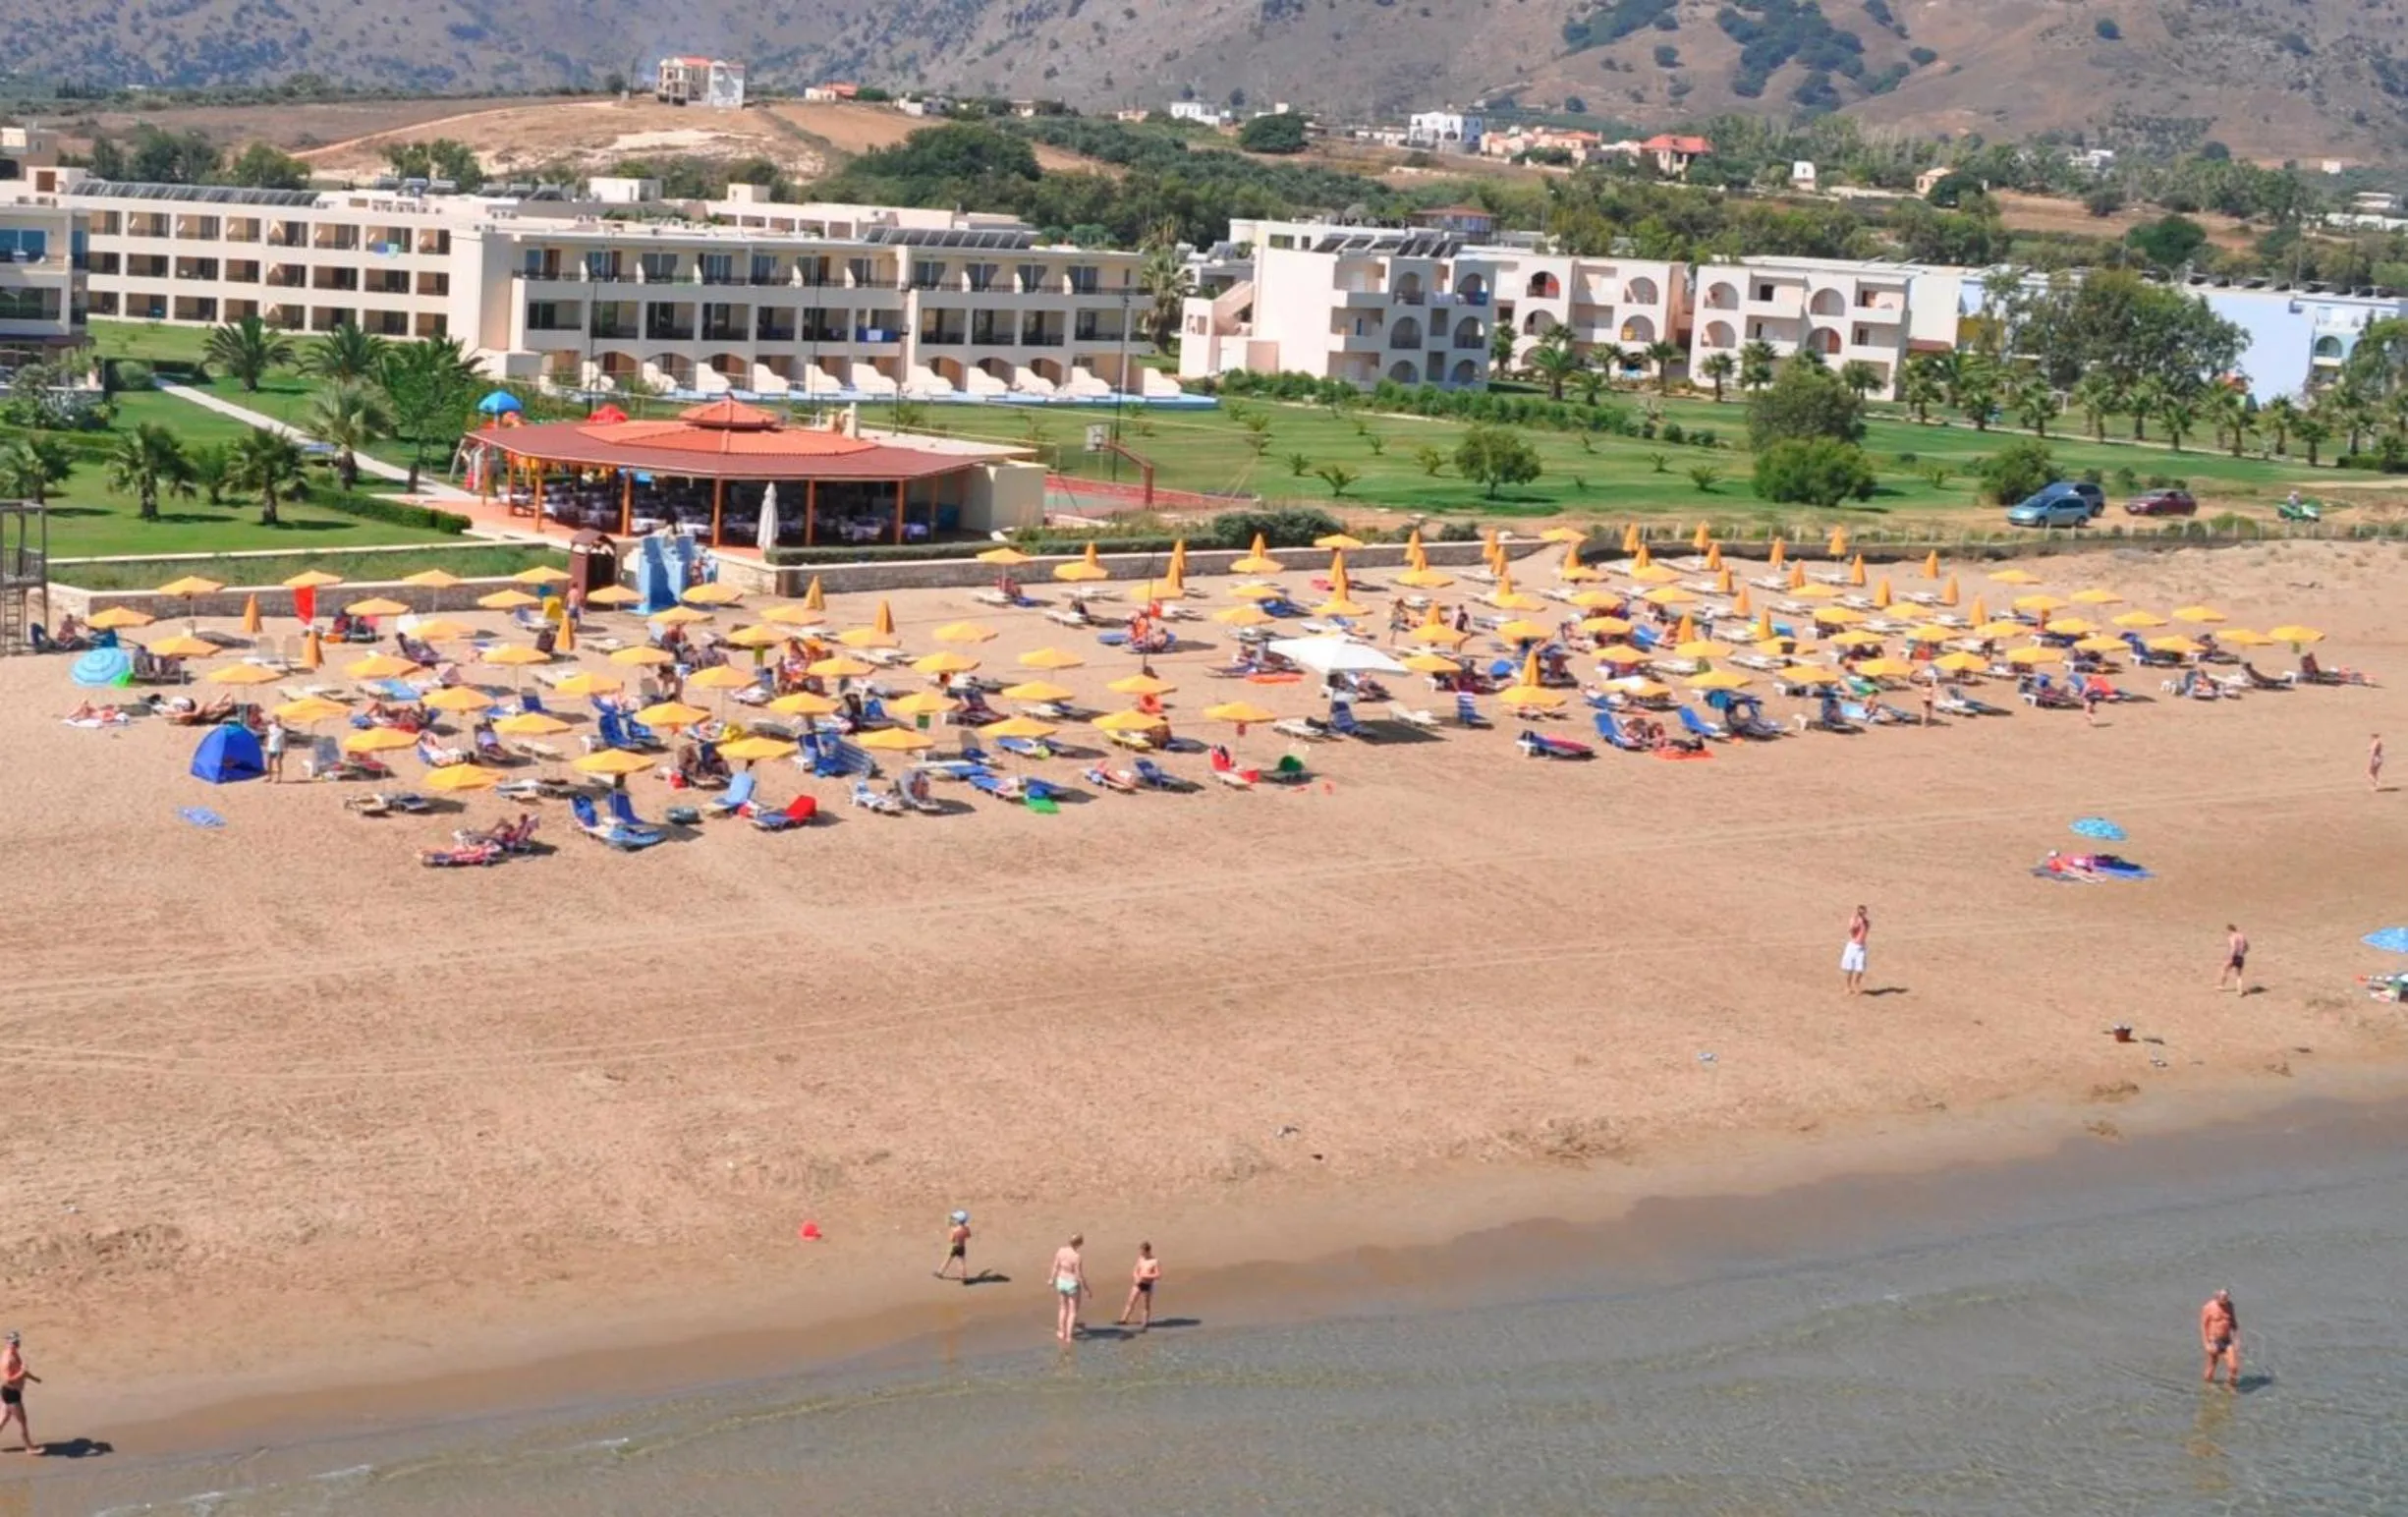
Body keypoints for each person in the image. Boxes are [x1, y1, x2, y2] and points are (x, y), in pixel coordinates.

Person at [1, 1330, 37, 1454]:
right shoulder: (7, 1359)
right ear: (8, 1343)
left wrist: (34, 1378)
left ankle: (29, 1446)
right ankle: (29, 1447)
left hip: (10, 1392)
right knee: (22, 1421)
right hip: (11, 1394)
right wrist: (22, 1372)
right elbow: (7, 1380)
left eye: (17, 1341)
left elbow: (21, 1370)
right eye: (13, 1342)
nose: (16, 1344)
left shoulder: (14, 1353)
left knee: (4, 1418)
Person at [1049, 1233, 1090, 1343]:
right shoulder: (1076, 1257)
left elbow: (1056, 1265)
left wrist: (1052, 1279)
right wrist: (1086, 1289)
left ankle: (1062, 1332)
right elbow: (1079, 1275)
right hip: (1071, 1283)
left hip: (1061, 1281)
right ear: (1079, 1244)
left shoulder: (1061, 1250)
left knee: (1062, 1308)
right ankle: (1068, 1336)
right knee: (1072, 1311)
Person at [2200, 1289, 2241, 1387]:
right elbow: (2203, 1325)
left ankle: (2230, 1387)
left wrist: (2237, 1338)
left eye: (2226, 1298)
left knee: (2233, 1367)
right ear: (2217, 1297)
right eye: (2222, 1298)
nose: (2224, 1300)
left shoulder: (2230, 1306)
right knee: (2212, 1365)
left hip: (2227, 1340)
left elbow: (2233, 1323)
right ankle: (2206, 1387)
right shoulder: (2208, 1307)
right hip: (2214, 1340)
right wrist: (2206, 1344)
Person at [1117, 1242, 1162, 1330]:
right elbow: (1135, 1270)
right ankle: (1123, 1319)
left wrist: (1145, 1275)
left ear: (1148, 1251)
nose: (1141, 1253)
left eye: (1143, 1252)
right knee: (1131, 1301)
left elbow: (1158, 1275)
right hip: (1138, 1283)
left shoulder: (1155, 1261)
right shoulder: (1140, 1259)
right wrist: (1136, 1277)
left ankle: (1144, 1323)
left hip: (1147, 1284)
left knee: (1145, 1305)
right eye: (1141, 1251)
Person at [936, 1210, 973, 1283]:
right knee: (961, 1262)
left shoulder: (954, 1229)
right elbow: (968, 1235)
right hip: (962, 1247)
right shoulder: (966, 1228)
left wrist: (950, 1230)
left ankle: (940, 1272)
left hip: (954, 1247)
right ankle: (963, 1277)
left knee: (947, 1259)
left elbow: (951, 1240)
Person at [1841, 905, 1871, 994]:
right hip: (1853, 946)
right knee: (1849, 967)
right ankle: (1848, 986)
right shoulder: (1854, 920)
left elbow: (1866, 930)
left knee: (1860, 967)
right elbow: (1852, 932)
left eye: (1863, 912)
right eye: (1860, 912)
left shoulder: (1866, 922)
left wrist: (1862, 922)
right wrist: (1857, 924)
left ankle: (1856, 984)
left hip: (1861, 946)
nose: (1861, 914)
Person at [2217, 924, 2249, 992]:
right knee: (2239, 975)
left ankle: (2221, 986)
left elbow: (2233, 947)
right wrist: (2242, 953)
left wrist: (2231, 957)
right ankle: (2240, 991)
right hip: (2240, 957)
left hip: (2234, 956)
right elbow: (2247, 947)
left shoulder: (2232, 937)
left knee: (2224, 969)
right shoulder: (2242, 936)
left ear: (2229, 930)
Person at [262, 717, 287, 782]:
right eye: (275, 720)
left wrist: (285, 748)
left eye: (278, 720)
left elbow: (285, 739)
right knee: (269, 762)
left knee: (278, 762)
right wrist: (266, 745)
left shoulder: (282, 729)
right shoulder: (270, 727)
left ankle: (279, 778)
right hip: (271, 747)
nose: (276, 722)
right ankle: (269, 777)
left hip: (279, 748)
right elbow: (267, 736)